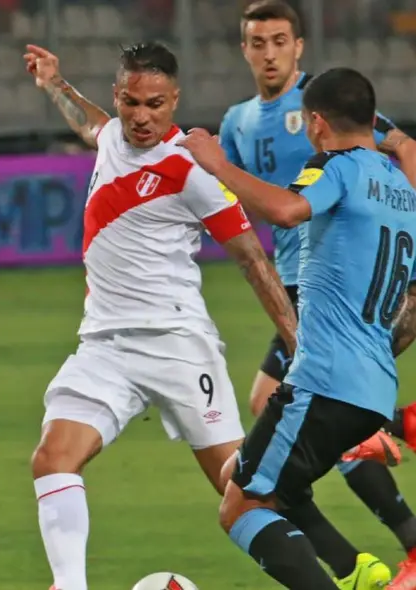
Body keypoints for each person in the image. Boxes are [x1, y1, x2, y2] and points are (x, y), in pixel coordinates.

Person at [24, 41, 296, 590]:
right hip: (104, 346)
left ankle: (338, 572)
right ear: (118, 96)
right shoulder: (111, 140)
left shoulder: (193, 169)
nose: (141, 117)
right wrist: (55, 83)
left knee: (243, 496)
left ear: (174, 100)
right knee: (52, 458)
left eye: (155, 104)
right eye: (130, 102)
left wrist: (299, 343)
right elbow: (91, 125)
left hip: (177, 344)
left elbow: (250, 258)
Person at [181, 66, 416, 590]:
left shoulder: (336, 165)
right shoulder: (401, 189)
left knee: (239, 506)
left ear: (315, 122)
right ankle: (354, 568)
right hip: (373, 387)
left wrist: (217, 163)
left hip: (325, 380)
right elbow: (413, 304)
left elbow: (288, 211)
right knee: (244, 475)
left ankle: (348, 574)